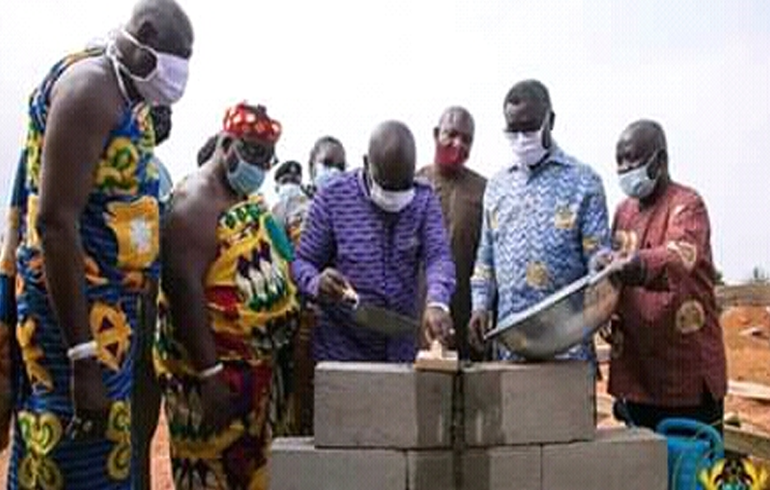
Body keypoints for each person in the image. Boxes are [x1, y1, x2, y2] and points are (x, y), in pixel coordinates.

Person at [4, 1, 193, 488]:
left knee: (104, 459)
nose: (182, 74)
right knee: (68, 459)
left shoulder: (122, 95)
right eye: (181, 56)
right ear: (145, 36)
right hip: (74, 329)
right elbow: (54, 223)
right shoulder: (90, 89)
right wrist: (83, 356)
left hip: (109, 325)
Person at [153, 102, 299, 489]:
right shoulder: (195, 202)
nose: (261, 168)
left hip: (259, 387)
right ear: (227, 142)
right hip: (217, 382)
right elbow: (183, 290)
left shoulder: (241, 197)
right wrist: (211, 374)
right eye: (253, 154)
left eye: (268, 160)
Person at [468, 80, 611, 364]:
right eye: (513, 129)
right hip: (512, 350)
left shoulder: (584, 183)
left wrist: (605, 281)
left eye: (530, 127)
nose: (521, 137)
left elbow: (598, 262)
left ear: (550, 121)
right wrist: (480, 306)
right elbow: (486, 259)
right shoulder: (497, 187)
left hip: (568, 351)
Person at [292, 121, 456, 362]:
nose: (395, 198)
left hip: (399, 352)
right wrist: (317, 283)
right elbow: (301, 262)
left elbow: (439, 258)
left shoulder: (424, 199)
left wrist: (438, 302)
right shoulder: (332, 198)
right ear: (367, 163)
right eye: (388, 187)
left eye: (404, 186)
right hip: (340, 351)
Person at [602, 120, 727, 433]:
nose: (625, 169)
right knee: (643, 472)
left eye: (632, 160)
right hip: (637, 373)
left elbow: (678, 257)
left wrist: (633, 266)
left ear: (660, 161)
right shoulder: (623, 212)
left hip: (684, 372)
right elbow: (609, 272)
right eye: (619, 162)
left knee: (689, 470)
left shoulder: (687, 205)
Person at [416, 107, 486, 360]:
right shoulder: (414, 185)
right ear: (436, 134)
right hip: (418, 320)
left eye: (467, 139)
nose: (458, 144)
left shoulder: (483, 191)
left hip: (465, 319)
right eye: (451, 135)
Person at [132, 103, 173, 490]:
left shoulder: (159, 175)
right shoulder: (106, 164)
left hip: (146, 311)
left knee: (139, 429)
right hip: (117, 313)